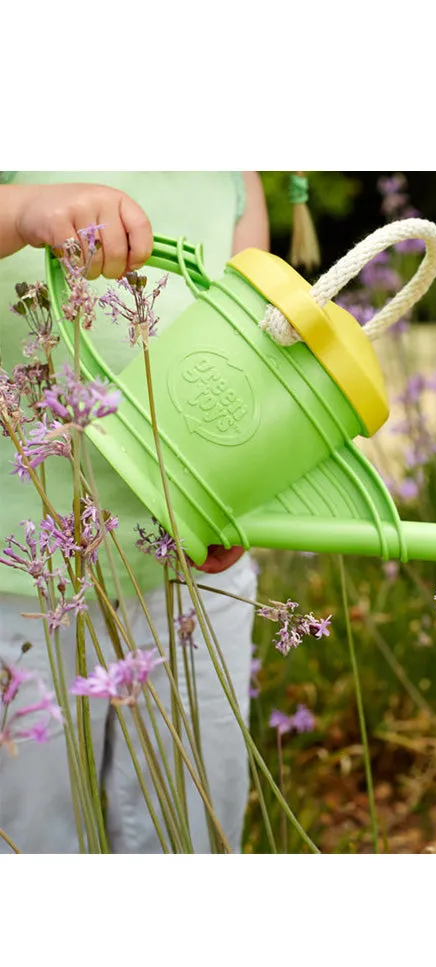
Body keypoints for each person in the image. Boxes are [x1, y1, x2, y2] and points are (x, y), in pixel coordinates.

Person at [0, 172, 269, 853]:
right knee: (32, 835)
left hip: (192, 575)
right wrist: (24, 208)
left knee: (191, 828)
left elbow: (255, 331)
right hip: (21, 582)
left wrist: (243, 488)